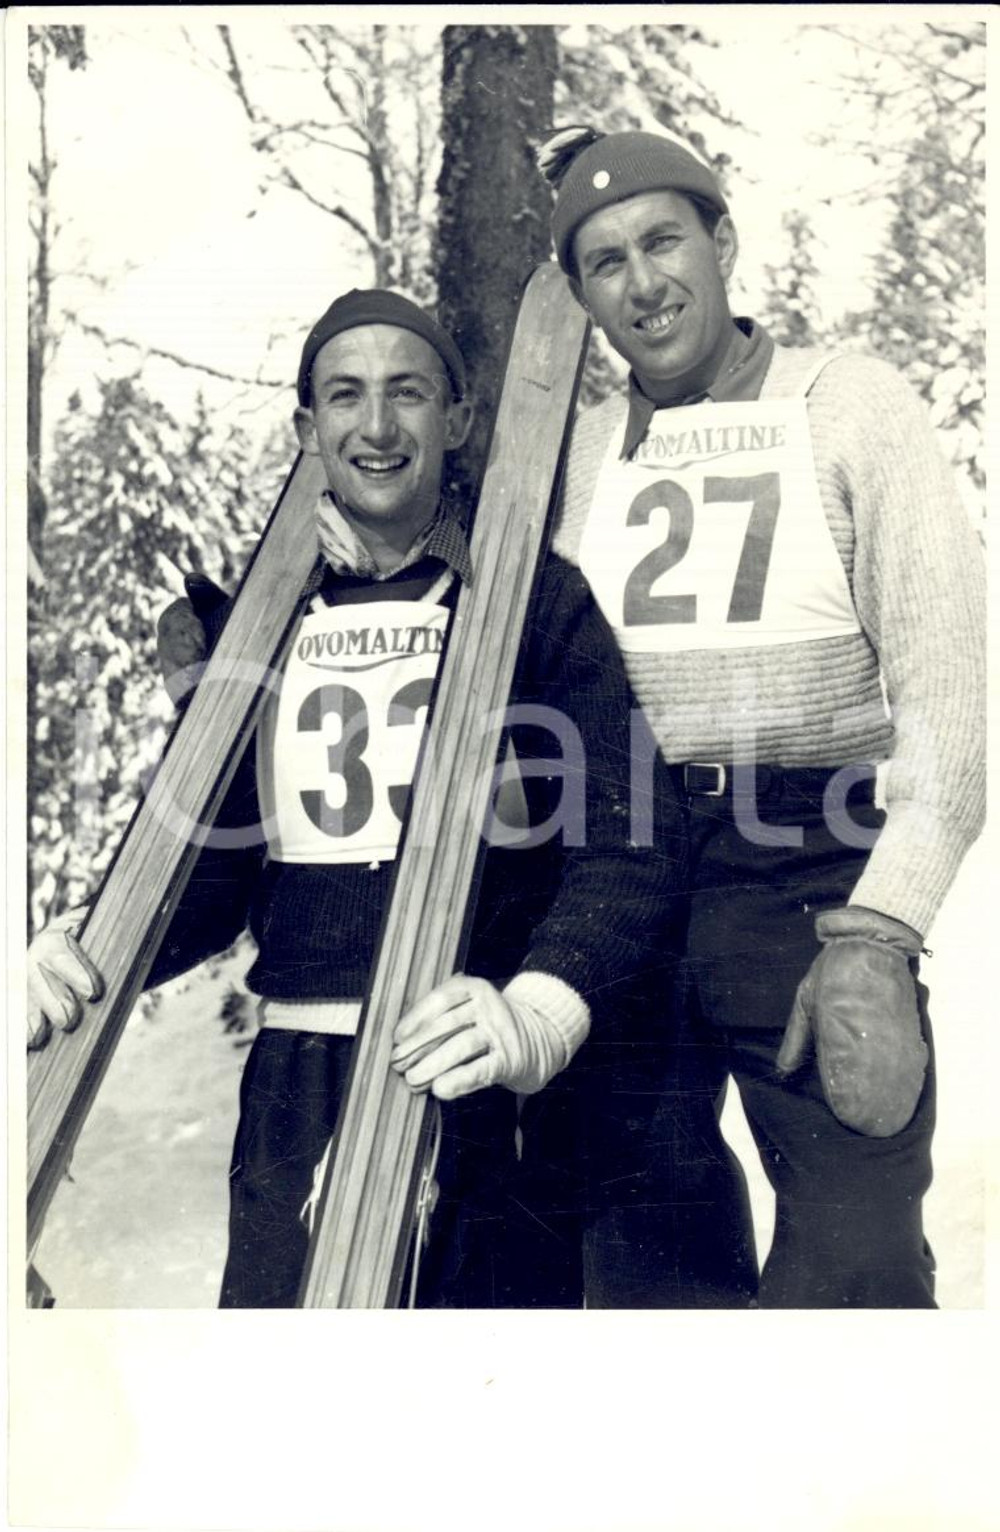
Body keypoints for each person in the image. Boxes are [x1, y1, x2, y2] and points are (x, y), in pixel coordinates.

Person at [27, 286, 688, 1309]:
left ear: (456, 420)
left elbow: (632, 840)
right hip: (295, 1081)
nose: (376, 426)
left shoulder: (535, 601)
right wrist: (83, 947)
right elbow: (208, 873)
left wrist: (540, 1006)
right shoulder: (265, 623)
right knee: (286, 1391)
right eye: (345, 395)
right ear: (308, 429)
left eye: (407, 392)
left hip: (472, 1066)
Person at [537, 126, 986, 1308]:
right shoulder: (573, 455)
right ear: (580, 294)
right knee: (647, 1269)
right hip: (623, 868)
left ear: (722, 240)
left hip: (805, 866)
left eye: (663, 241)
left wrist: (881, 926)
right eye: (605, 262)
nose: (643, 284)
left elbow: (947, 698)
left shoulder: (846, 404)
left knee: (855, 1261)